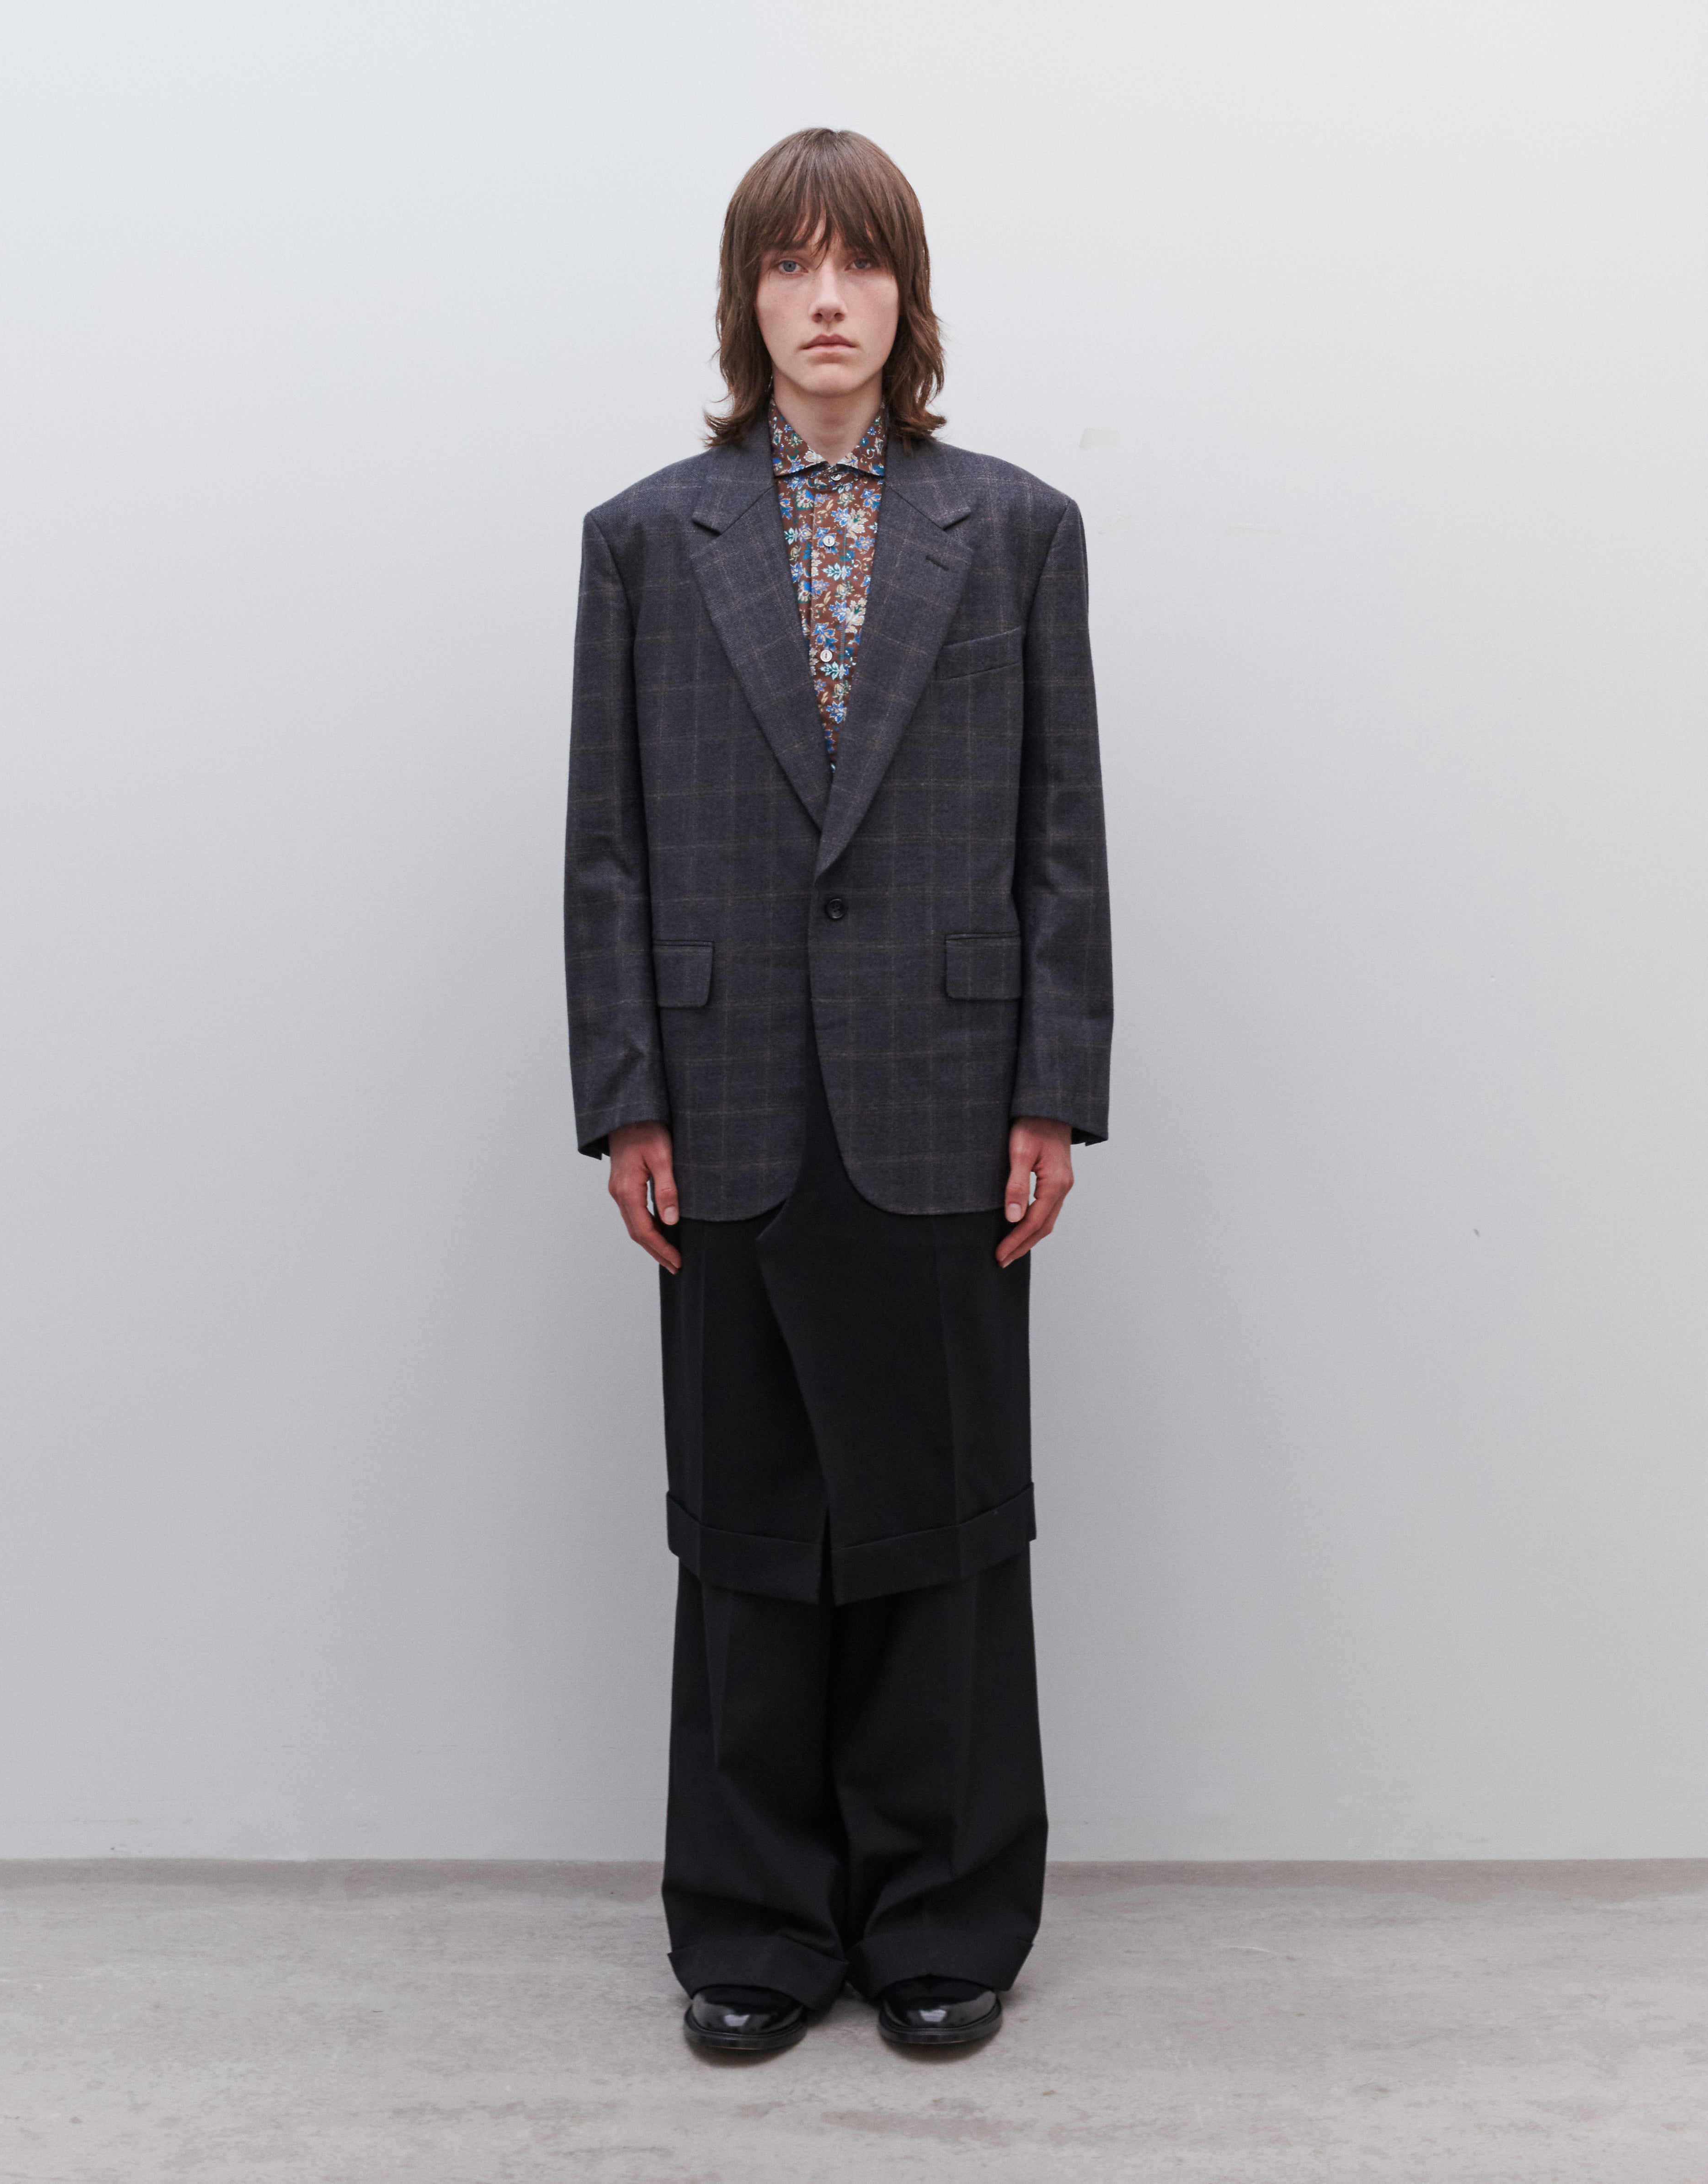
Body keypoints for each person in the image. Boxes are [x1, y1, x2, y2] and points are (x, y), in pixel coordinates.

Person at [564, 126, 1110, 2054]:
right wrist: (628, 1096)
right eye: (787, 265)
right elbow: (607, 848)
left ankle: (943, 1917)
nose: (823, 299)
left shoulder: (1015, 529)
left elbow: (1060, 837)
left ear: (904, 293)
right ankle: (752, 1925)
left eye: (855, 263)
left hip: (946, 1097)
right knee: (745, 1521)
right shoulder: (645, 540)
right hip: (720, 1099)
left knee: (945, 1517)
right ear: (746, 299)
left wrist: (1051, 1091)